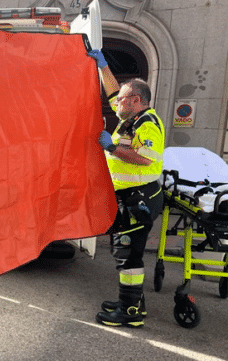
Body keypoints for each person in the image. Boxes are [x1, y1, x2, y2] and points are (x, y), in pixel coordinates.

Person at [88, 49, 165, 328]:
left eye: (121, 99)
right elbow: (111, 92)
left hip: (139, 199)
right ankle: (132, 302)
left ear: (136, 100)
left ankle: (130, 312)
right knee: (125, 251)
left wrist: (112, 147)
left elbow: (145, 158)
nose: (115, 103)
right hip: (131, 197)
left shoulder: (148, 124)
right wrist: (103, 66)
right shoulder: (130, 118)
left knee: (128, 254)